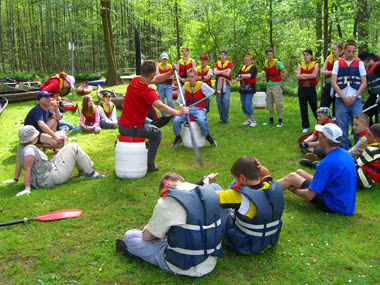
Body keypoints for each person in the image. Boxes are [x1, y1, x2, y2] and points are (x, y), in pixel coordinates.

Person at [116, 172, 224, 277]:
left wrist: (148, 229)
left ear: (165, 182)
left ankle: (135, 251)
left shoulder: (168, 200)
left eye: (162, 193)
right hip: (210, 261)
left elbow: (147, 237)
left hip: (182, 265)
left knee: (130, 236)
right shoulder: (208, 192)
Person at [118, 60, 189, 172]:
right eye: (155, 72)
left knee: (151, 124)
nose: (156, 74)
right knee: (157, 133)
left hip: (122, 125)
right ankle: (150, 164)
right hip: (132, 129)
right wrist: (178, 112)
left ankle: (145, 147)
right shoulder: (147, 92)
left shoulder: (135, 81)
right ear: (151, 74)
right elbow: (161, 106)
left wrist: (170, 73)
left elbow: (156, 79)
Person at [2, 125, 104, 196]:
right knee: (74, 147)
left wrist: (15, 179)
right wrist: (27, 188)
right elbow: (27, 170)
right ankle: (90, 172)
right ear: (33, 137)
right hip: (52, 177)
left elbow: (19, 163)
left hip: (48, 171)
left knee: (68, 148)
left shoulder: (21, 147)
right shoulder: (29, 150)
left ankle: (83, 170)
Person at [278, 124, 356, 215]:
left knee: (292, 178)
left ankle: (266, 192)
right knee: (299, 172)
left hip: (334, 205)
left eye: (320, 136)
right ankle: (270, 188)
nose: (318, 138)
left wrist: (293, 189)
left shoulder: (326, 163)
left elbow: (310, 195)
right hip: (346, 203)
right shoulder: (345, 154)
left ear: (325, 140)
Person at [215, 156, 284, 254]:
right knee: (235, 184)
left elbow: (210, 195)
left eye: (237, 177)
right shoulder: (271, 185)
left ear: (242, 177)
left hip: (245, 244)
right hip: (268, 241)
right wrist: (260, 168)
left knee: (214, 187)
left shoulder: (239, 196)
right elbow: (267, 174)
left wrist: (205, 181)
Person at [331, 40, 367, 150]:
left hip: (355, 100)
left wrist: (355, 96)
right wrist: (343, 96)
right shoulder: (337, 63)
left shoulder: (359, 63)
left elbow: (364, 82)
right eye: (349, 51)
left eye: (353, 51)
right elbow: (333, 82)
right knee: (342, 126)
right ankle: (345, 151)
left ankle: (359, 150)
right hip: (341, 100)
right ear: (344, 51)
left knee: (359, 126)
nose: (351, 54)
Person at [172, 69, 217, 148]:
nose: (190, 79)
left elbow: (212, 93)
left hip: (199, 109)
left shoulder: (202, 85)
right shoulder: (185, 86)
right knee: (176, 120)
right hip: (187, 109)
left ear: (196, 77)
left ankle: (207, 135)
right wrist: (182, 106)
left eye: (192, 76)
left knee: (201, 120)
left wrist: (216, 92)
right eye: (188, 77)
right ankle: (178, 137)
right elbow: (179, 100)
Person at [296, 49, 319, 133]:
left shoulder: (315, 64)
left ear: (311, 56)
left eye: (307, 55)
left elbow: (314, 75)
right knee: (303, 108)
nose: (305, 56)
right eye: (304, 55)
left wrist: (304, 75)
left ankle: (320, 123)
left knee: (314, 107)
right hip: (302, 89)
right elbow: (298, 76)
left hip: (311, 89)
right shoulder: (300, 64)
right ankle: (305, 126)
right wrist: (308, 76)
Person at [263, 48, 287, 128]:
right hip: (268, 85)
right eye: (268, 55)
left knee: (278, 102)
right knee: (269, 102)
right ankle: (271, 119)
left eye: (271, 55)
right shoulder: (266, 63)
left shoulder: (277, 63)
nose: (270, 56)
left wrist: (283, 82)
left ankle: (280, 121)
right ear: (266, 55)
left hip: (276, 85)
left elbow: (284, 71)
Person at [320, 42, 343, 117]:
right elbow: (322, 71)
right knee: (323, 106)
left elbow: (341, 73)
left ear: (339, 50)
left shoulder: (342, 59)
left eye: (334, 49)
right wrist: (334, 72)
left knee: (336, 109)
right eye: (332, 49)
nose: (333, 51)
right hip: (328, 84)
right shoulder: (328, 58)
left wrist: (329, 72)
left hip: (338, 86)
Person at [358, 52, 380, 125]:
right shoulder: (367, 69)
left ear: (367, 60)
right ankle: (370, 131)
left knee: (378, 117)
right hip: (373, 97)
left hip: (379, 96)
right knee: (365, 114)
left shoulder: (378, 66)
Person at [236, 55, 257, 127]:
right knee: (243, 105)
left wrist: (241, 76)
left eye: (248, 60)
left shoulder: (253, 67)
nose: (247, 61)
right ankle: (248, 119)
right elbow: (237, 77)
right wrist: (241, 77)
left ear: (251, 61)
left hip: (250, 88)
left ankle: (253, 120)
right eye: (245, 60)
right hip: (242, 88)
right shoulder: (243, 68)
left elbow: (249, 76)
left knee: (248, 104)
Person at [356, 124, 380, 189]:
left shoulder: (370, 150)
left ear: (376, 139)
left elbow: (357, 164)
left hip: (362, 181)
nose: (366, 137)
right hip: (372, 180)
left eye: (369, 135)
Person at [214, 50, 233, 124]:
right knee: (219, 101)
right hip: (217, 84)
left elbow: (228, 74)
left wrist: (220, 72)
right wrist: (223, 71)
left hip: (226, 83)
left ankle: (225, 117)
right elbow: (215, 72)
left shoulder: (229, 63)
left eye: (224, 55)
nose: (222, 56)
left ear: (226, 56)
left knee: (225, 100)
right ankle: (221, 118)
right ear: (219, 56)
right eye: (221, 55)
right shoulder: (216, 63)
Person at [156, 53, 174, 117]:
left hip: (168, 85)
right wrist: (167, 76)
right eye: (163, 59)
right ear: (161, 59)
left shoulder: (170, 66)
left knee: (169, 100)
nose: (164, 60)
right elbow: (158, 76)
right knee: (162, 102)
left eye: (165, 59)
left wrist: (163, 76)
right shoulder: (158, 66)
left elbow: (172, 75)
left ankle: (173, 115)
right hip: (161, 85)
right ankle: (164, 116)